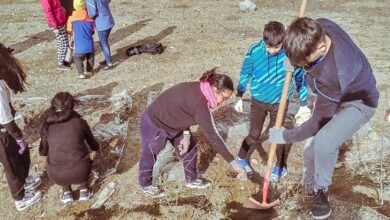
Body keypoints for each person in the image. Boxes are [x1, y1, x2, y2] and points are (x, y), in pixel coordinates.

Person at [269, 17, 379, 220]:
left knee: (324, 141)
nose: (299, 64)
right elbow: (302, 39)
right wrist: (294, 58)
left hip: (359, 102)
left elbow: (315, 124)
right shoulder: (321, 25)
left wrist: (285, 136)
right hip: (339, 93)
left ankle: (321, 191)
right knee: (310, 149)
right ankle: (308, 184)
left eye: (304, 61)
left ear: (321, 48)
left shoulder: (334, 74)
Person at [138, 68, 244, 196]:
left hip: (175, 124)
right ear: (216, 90)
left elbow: (184, 112)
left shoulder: (202, 90)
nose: (225, 101)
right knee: (150, 154)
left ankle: (191, 179)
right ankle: (146, 184)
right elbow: (213, 136)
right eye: (224, 97)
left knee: (190, 149)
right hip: (155, 123)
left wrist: (186, 136)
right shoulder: (200, 104)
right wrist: (232, 162)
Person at [233, 21, 310, 180]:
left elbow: (301, 80)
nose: (273, 50)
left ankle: (281, 166)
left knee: (279, 135)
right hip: (258, 100)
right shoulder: (255, 51)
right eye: (270, 47)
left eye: (277, 47)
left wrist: (303, 105)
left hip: (280, 103)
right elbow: (245, 72)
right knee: (254, 134)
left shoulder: (290, 54)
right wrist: (239, 95)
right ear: (264, 40)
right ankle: (241, 158)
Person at [0, 43, 42, 211]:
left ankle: (25, 179)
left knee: (19, 156)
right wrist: (18, 137)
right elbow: (5, 119)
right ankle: (20, 199)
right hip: (2, 133)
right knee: (10, 164)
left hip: (5, 130)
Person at [39, 92, 100, 204]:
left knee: (60, 155)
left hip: (56, 176)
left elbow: (43, 152)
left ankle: (66, 192)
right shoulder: (79, 122)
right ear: (72, 105)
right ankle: (84, 190)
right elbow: (94, 146)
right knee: (78, 150)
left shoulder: (47, 125)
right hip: (81, 172)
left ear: (53, 106)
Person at [67, 0, 95, 79]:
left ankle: (81, 73)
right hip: (89, 45)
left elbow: (69, 30)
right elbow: (92, 31)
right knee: (90, 58)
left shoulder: (71, 19)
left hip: (78, 46)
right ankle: (89, 71)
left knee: (78, 59)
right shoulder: (90, 19)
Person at [40, 0, 71, 70]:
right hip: (57, 23)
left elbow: (57, 6)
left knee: (62, 41)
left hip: (60, 20)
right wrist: (55, 26)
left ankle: (63, 60)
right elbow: (48, 12)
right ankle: (61, 63)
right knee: (63, 43)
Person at [86, 0, 115, 70]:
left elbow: (92, 13)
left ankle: (109, 63)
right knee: (104, 42)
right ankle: (107, 59)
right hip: (109, 20)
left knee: (104, 43)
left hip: (102, 24)